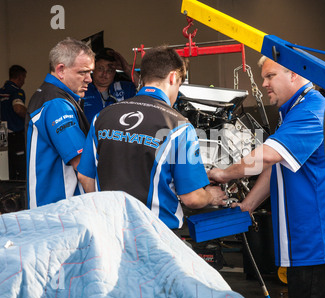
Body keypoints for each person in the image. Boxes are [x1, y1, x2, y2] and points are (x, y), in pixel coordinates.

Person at [208, 56, 325, 298]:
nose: (263, 84)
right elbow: (276, 166)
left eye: (270, 76)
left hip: (314, 244)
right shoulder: (294, 110)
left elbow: (267, 157)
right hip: (301, 242)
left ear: (294, 74)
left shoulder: (311, 110)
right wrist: (248, 205)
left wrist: (222, 173)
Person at [77, 46, 227, 230]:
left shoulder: (102, 117)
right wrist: (211, 196)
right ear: (173, 77)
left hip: (109, 230)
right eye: (179, 85)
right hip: (155, 233)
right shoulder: (179, 126)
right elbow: (193, 198)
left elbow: (85, 176)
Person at [25, 38, 94, 209]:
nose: (89, 79)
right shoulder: (57, 104)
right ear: (61, 70)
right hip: (58, 212)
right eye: (83, 72)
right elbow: (83, 168)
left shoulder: (49, 96)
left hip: (53, 211)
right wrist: (104, 207)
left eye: (90, 72)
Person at [83, 48, 138, 123]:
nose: (104, 74)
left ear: (115, 72)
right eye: (100, 68)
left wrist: (127, 68)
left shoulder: (126, 88)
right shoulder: (82, 88)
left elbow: (147, 88)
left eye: (109, 70)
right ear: (93, 68)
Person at [0, 65, 27, 180]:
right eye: (24, 78)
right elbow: (18, 109)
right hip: (15, 136)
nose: (24, 81)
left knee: (8, 169)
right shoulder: (17, 91)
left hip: (2, 137)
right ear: (19, 77)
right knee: (20, 170)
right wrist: (30, 115)